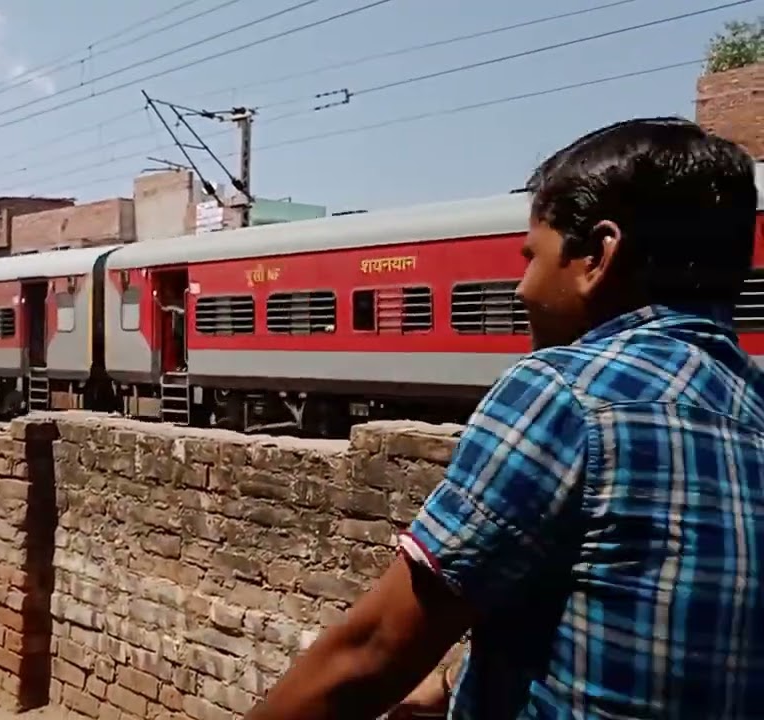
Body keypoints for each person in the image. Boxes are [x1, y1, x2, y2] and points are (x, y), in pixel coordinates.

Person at [246, 117, 764, 719]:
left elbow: (372, 651)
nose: (520, 289)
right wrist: (451, 686)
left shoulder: (564, 392)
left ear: (598, 254)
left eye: (531, 257)